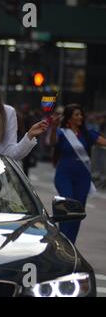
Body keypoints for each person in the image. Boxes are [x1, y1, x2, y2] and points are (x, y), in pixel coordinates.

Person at [49, 104, 106, 244]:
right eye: (76, 115)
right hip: (64, 176)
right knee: (67, 209)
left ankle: (70, 246)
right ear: (69, 117)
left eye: (81, 114)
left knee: (77, 213)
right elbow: (52, 142)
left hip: (83, 178)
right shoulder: (61, 132)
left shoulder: (87, 134)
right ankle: (62, 243)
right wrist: (53, 128)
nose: (80, 117)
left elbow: (103, 142)